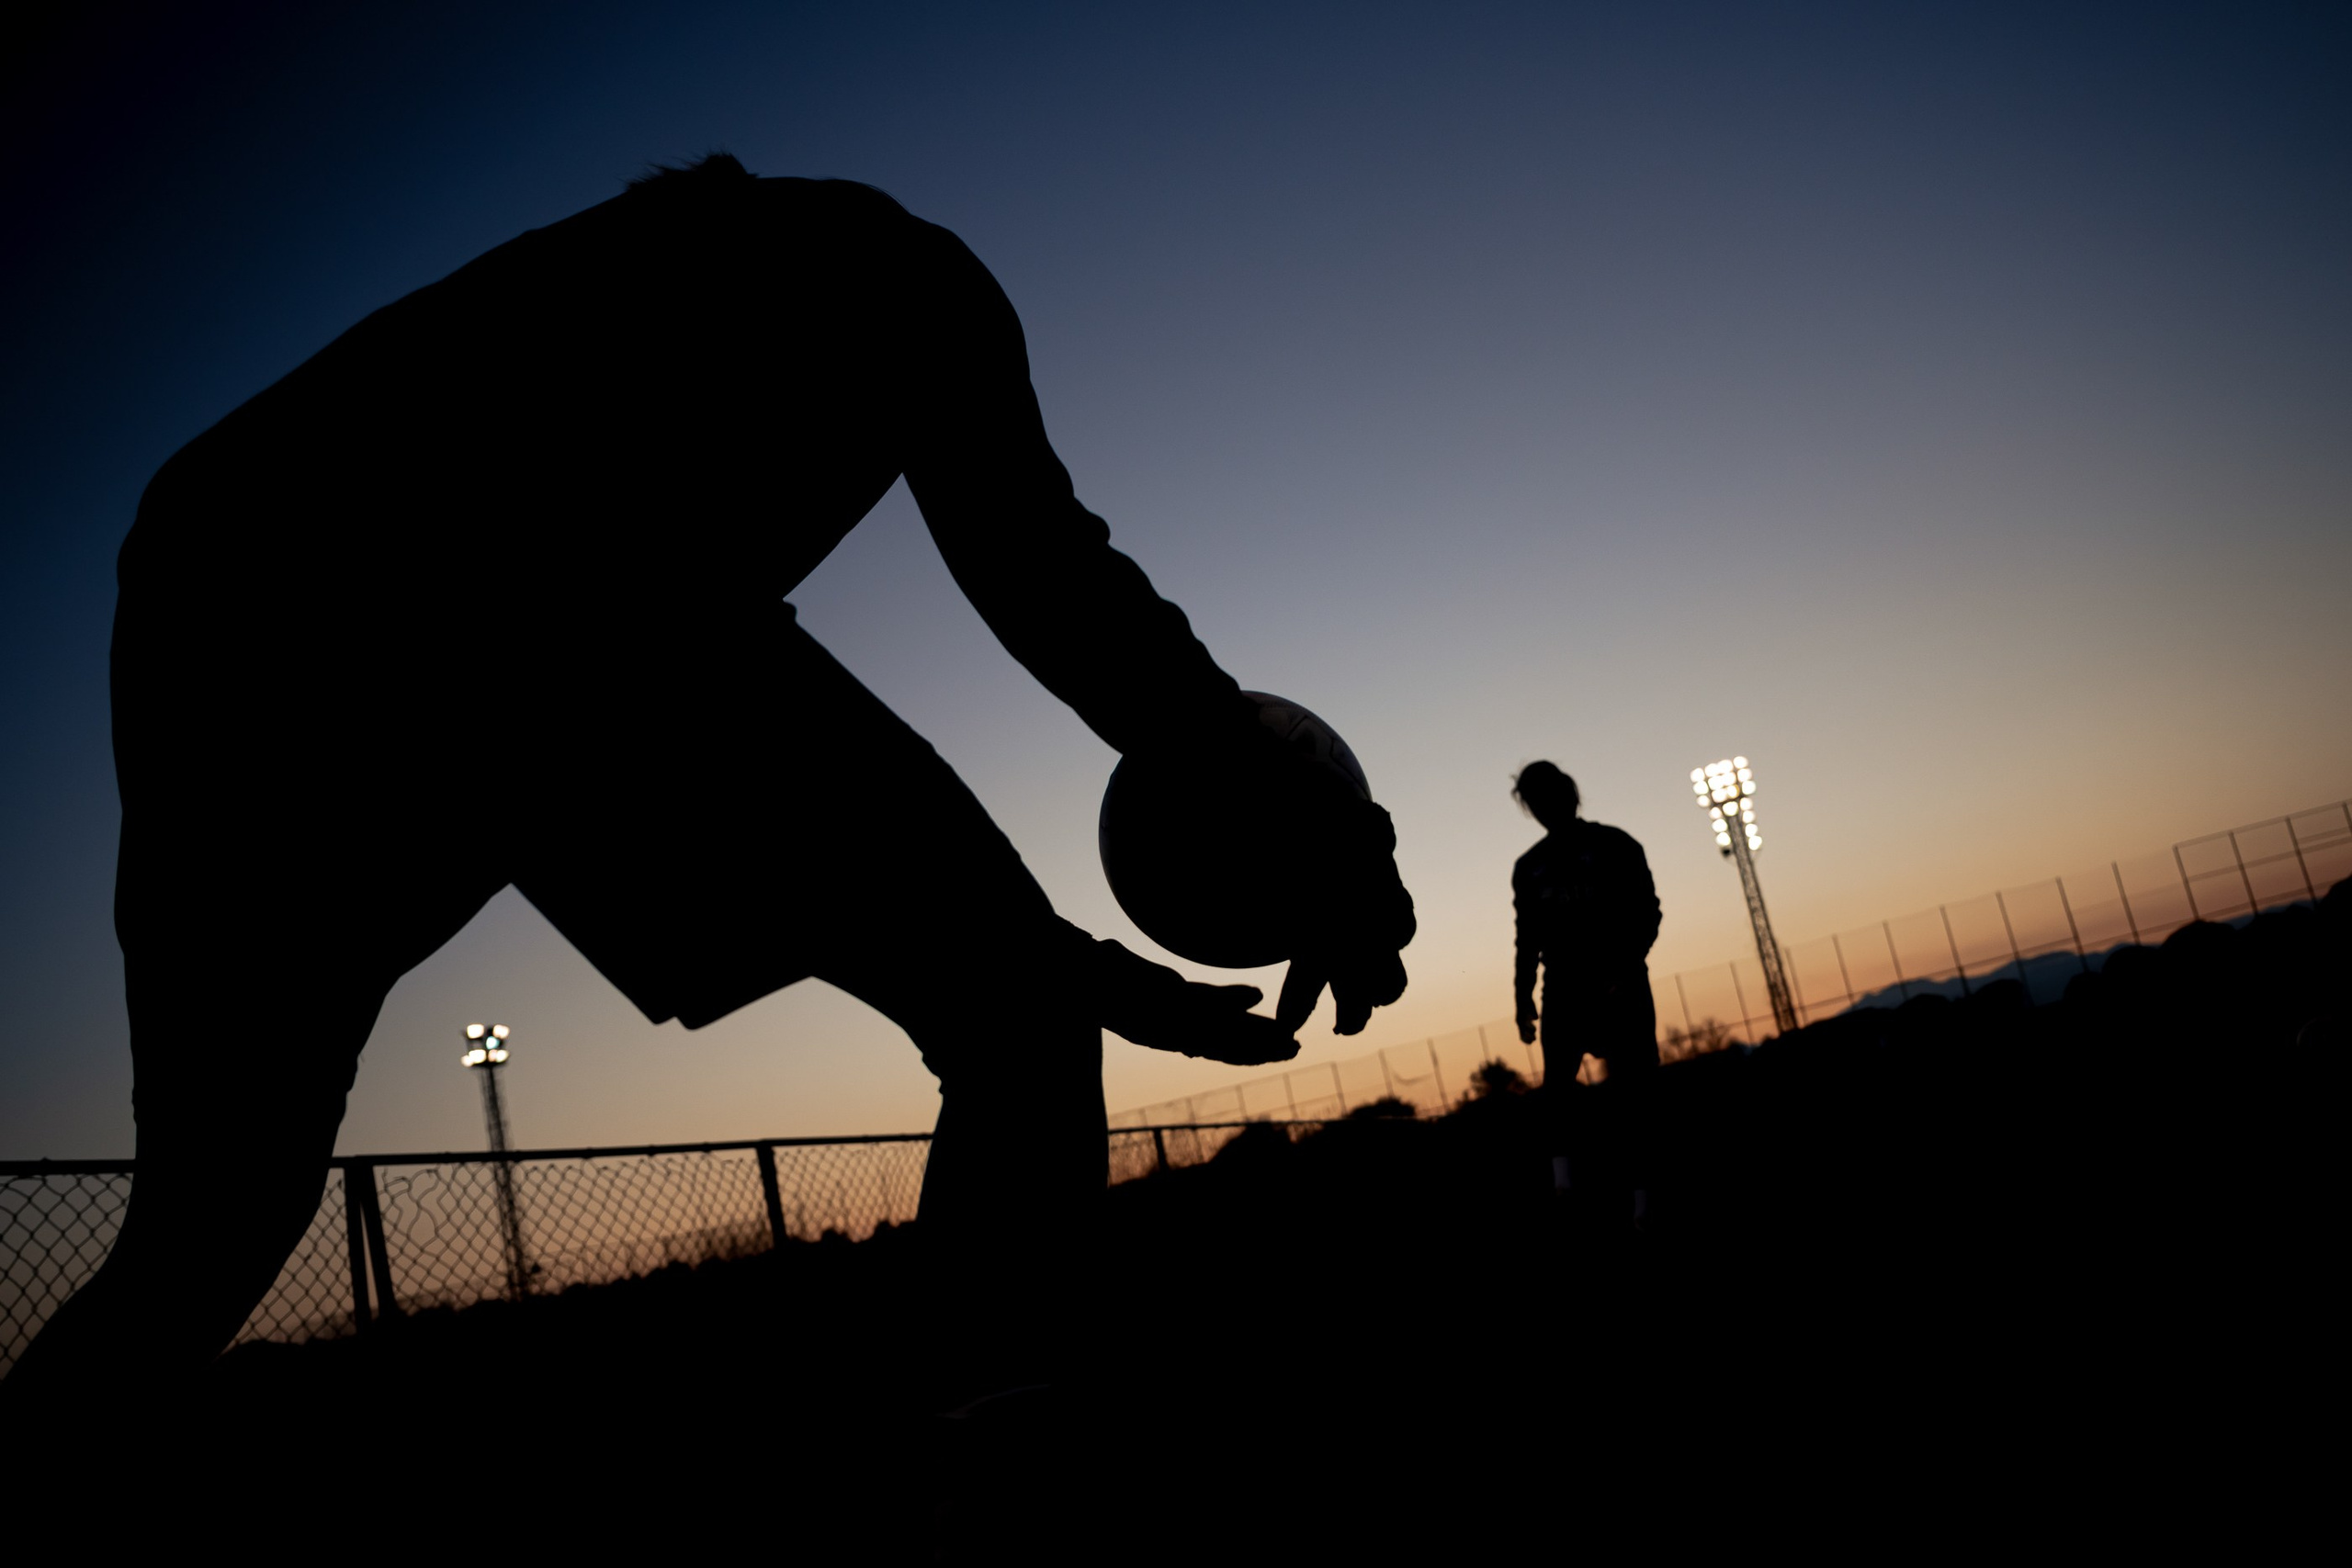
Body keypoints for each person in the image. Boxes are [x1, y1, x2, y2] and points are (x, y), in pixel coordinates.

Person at [5, 154, 1413, 1407]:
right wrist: (1295, 828)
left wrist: (1053, 932)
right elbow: (1044, 575)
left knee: (210, 1225)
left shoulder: (651, 307)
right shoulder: (898, 284)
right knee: (1018, 1013)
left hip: (219, 595)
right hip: (495, 584)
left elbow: (1010, 612)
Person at [1510, 762, 1659, 1221]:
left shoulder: (1615, 845)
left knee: (1636, 1095)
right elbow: (1528, 938)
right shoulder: (1530, 868)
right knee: (1558, 1092)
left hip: (1621, 987)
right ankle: (1565, 1189)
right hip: (1565, 992)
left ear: (1570, 794)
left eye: (1548, 795)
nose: (1543, 807)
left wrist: (1624, 967)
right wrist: (1523, 999)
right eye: (1534, 800)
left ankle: (1644, 1201)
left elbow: (1648, 912)